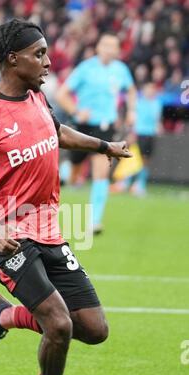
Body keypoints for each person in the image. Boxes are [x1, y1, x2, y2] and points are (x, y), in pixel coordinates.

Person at [0, 19, 132, 375]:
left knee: (93, 328)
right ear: (13, 58)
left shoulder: (36, 97)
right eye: (39, 54)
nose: (48, 62)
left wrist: (105, 146)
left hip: (48, 230)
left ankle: (2, 317)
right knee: (60, 323)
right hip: (7, 240)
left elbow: (57, 131)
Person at [56, 33, 136, 234]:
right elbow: (61, 93)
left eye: (113, 46)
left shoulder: (121, 70)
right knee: (74, 178)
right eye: (105, 45)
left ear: (118, 50)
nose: (109, 49)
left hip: (106, 128)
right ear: (98, 47)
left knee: (101, 174)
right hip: (82, 128)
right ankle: (66, 171)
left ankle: (95, 221)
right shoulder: (86, 68)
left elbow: (132, 90)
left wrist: (132, 111)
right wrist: (76, 111)